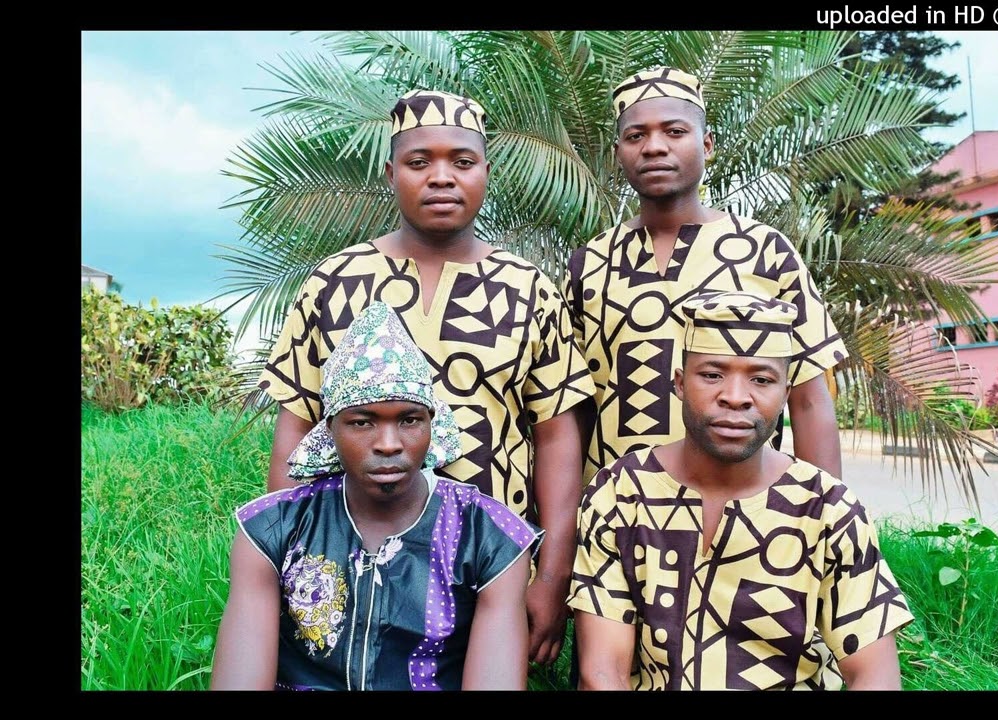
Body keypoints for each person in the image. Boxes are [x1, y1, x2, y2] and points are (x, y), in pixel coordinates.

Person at [257, 89, 595, 666]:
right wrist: (285, 558)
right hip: (350, 565)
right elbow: (298, 423)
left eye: (462, 162)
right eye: (420, 162)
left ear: (486, 170)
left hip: (494, 570)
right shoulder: (335, 281)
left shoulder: (529, 288)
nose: (442, 178)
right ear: (391, 172)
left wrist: (554, 569)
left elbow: (558, 435)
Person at [567, 291, 914, 690]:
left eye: (762, 379)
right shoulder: (620, 492)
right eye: (712, 375)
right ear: (679, 383)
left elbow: (874, 673)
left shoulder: (829, 509)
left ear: (785, 395)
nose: (734, 397)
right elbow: (602, 672)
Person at [211, 302, 542, 690]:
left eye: (409, 419)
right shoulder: (271, 530)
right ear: (330, 428)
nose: (389, 444)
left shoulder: (488, 538)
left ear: (431, 425)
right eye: (362, 422)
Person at [563, 67, 849, 483]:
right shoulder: (589, 263)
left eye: (675, 132)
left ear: (707, 144)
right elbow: (571, 409)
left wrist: (826, 519)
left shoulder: (766, 252)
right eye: (636, 135)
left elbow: (808, 399)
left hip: (750, 515)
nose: (654, 147)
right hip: (617, 515)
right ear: (618, 152)